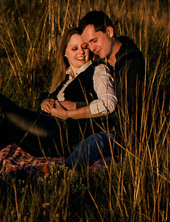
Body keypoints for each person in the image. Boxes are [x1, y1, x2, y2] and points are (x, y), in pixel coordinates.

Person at [0, 27, 116, 163]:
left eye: (84, 47)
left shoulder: (98, 70)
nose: (81, 53)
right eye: (74, 49)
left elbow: (107, 103)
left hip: (64, 135)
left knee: (0, 112)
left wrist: (73, 107)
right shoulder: (66, 76)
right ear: (65, 53)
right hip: (47, 127)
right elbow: (47, 95)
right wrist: (44, 101)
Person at [63, 10, 147, 167]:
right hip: (97, 124)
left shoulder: (131, 62)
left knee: (91, 144)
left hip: (124, 135)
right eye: (88, 44)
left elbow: (126, 111)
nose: (92, 48)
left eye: (95, 40)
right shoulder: (103, 62)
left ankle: (58, 174)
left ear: (109, 31)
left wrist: (78, 108)